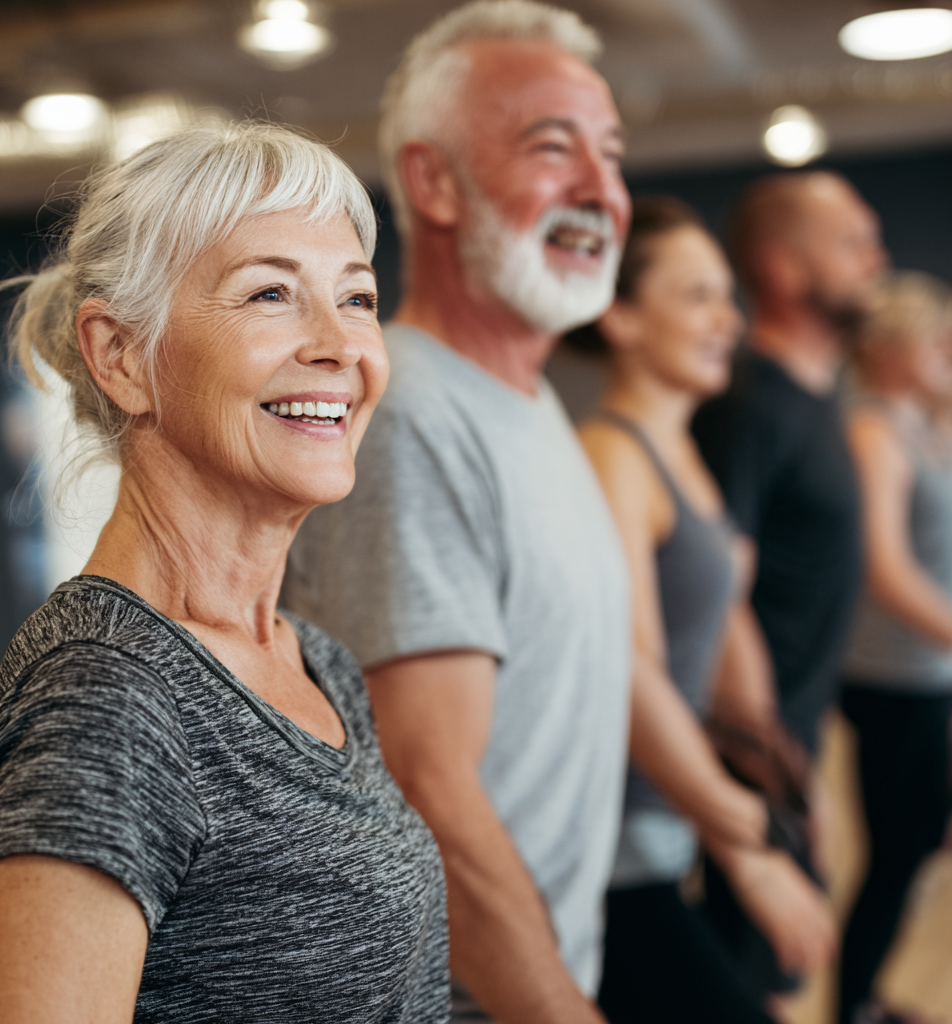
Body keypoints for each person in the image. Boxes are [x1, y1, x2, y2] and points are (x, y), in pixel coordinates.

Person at [0, 122, 450, 1024]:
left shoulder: (317, 664)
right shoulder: (109, 694)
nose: (339, 344)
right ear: (120, 357)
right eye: (270, 293)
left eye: (357, 298)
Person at [282, 3, 632, 1021]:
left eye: (610, 156)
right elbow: (427, 788)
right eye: (551, 148)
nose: (601, 192)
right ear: (432, 182)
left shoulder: (528, 403)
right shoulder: (413, 421)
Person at [571, 196, 834, 1024]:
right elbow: (632, 666)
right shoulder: (614, 453)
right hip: (617, 851)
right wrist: (747, 850)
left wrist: (780, 771)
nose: (728, 319)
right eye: (696, 296)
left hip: (671, 831)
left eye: (728, 295)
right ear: (620, 315)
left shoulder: (683, 451)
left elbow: (728, 629)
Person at [690, 170, 887, 1000]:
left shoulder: (814, 400)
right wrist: (779, 769)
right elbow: (718, 594)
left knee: (772, 977)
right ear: (781, 268)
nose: (876, 258)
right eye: (851, 241)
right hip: (744, 758)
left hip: (788, 743)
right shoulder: (751, 407)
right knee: (748, 978)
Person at [839, 271, 952, 1024]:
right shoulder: (874, 431)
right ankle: (855, 1006)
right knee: (894, 858)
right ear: (888, 348)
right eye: (932, 335)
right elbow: (886, 569)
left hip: (931, 675)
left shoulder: (921, 427)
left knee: (915, 851)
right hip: (894, 681)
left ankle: (874, 997)